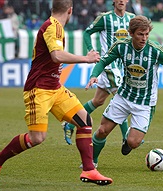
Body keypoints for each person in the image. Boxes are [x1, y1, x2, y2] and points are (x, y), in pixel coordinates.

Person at [0, 0, 113, 187]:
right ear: (70, 11)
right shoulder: (52, 27)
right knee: (37, 138)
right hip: (38, 89)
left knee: (85, 120)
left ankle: (89, 170)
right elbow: (57, 55)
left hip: (54, 87)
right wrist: (86, 59)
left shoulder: (55, 26)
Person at [85, 15, 163, 159]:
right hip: (123, 96)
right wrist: (94, 75)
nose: (144, 38)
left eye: (147, 34)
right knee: (102, 131)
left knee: (133, 142)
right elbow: (103, 61)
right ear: (131, 33)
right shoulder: (121, 46)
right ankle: (92, 163)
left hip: (145, 102)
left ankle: (129, 137)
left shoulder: (155, 50)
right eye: (140, 34)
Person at [62, 0, 135, 166]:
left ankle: (70, 122)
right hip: (109, 65)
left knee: (98, 101)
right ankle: (126, 136)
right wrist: (91, 50)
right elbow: (87, 32)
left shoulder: (132, 19)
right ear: (114, 1)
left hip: (122, 67)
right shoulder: (105, 18)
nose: (122, 1)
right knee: (121, 98)